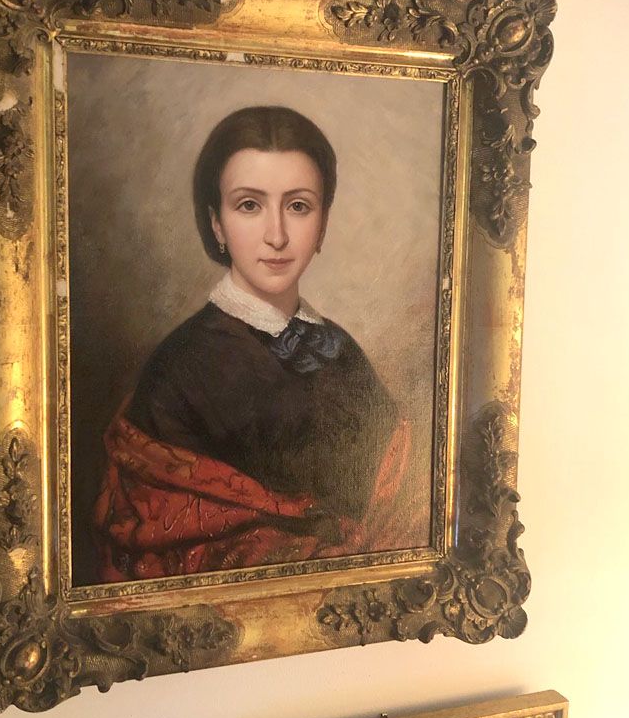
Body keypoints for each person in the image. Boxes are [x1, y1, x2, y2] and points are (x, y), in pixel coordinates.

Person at [92, 105, 411, 582]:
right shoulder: (176, 371)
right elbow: (165, 549)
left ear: (323, 224)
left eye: (298, 206)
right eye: (249, 205)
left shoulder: (343, 352)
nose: (276, 235)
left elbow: (403, 504)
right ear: (217, 224)